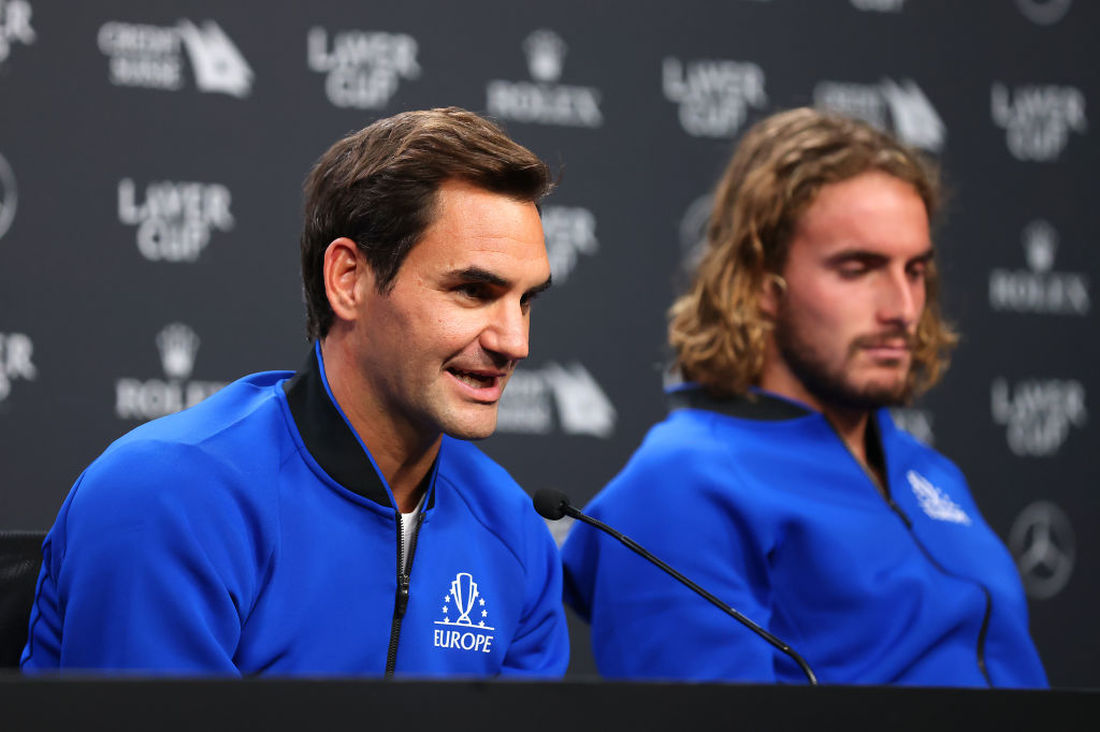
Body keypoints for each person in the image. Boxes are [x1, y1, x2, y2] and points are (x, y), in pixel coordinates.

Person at [22, 107, 569, 677]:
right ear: (348, 280)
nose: (515, 342)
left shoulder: (516, 534)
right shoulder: (168, 497)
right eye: (474, 291)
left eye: (526, 300)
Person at [561, 108, 1046, 687]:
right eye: (859, 268)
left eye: (915, 271)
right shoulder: (681, 483)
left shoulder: (930, 471)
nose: (903, 308)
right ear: (762, 285)